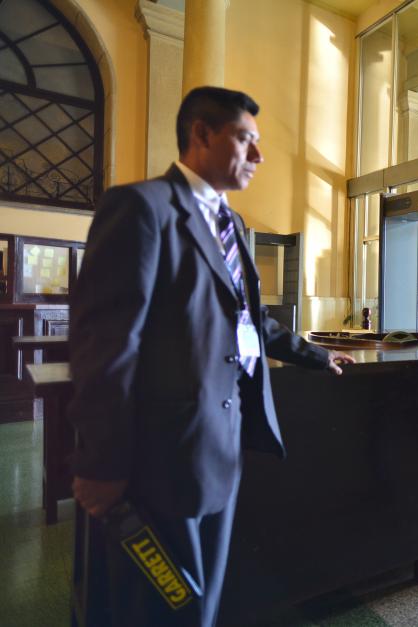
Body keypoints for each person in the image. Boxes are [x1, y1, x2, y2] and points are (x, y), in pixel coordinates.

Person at [68, 86, 355, 627]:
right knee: (161, 605)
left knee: (201, 603)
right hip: (161, 454)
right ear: (201, 134)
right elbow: (105, 345)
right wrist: (100, 463)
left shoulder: (232, 224)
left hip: (224, 444)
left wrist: (316, 356)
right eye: (246, 140)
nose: (259, 156)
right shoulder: (142, 207)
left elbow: (250, 323)